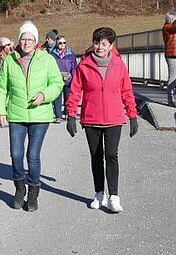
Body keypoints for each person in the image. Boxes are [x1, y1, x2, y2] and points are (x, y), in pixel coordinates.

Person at [66, 27, 138, 213]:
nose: (100, 47)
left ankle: (114, 196)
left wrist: (132, 115)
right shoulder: (84, 65)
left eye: (104, 44)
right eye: (97, 43)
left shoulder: (119, 65)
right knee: (96, 157)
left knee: (111, 155)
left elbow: (127, 91)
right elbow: (75, 91)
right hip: (92, 118)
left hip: (114, 118)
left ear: (111, 45)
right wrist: (71, 115)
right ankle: (99, 193)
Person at [0, 21, 64, 212]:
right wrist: (0, 110)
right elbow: (1, 88)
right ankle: (19, 187)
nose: (26, 42)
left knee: (32, 155)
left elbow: (57, 83)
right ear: (19, 40)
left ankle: (33, 190)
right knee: (16, 154)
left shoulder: (46, 59)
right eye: (23, 39)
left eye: (30, 39)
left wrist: (44, 95)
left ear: (36, 41)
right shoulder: (10, 60)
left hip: (40, 115)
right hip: (16, 114)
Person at [50, 34, 77, 122]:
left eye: (64, 43)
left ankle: (66, 113)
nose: (62, 44)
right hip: (56, 79)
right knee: (57, 98)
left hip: (68, 79)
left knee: (68, 97)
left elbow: (74, 67)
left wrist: (72, 77)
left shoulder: (71, 54)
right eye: (60, 43)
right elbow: (50, 68)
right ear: (57, 43)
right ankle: (58, 116)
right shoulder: (52, 55)